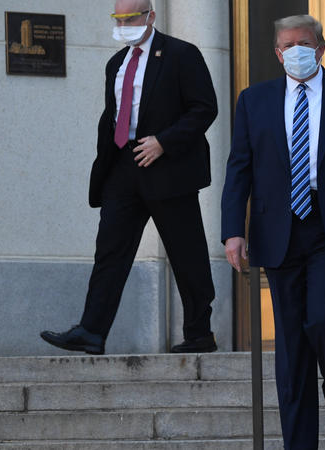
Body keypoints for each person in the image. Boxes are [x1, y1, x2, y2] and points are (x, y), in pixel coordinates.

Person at [221, 14, 325, 450]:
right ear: (277, 53)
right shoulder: (254, 100)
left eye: (304, 43)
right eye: (286, 45)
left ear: (320, 47)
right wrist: (232, 232)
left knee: (321, 320)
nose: (295, 51)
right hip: (277, 229)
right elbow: (239, 169)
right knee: (292, 346)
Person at [41, 0, 218, 355]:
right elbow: (115, 114)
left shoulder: (181, 54)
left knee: (188, 255)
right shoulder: (116, 63)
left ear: (150, 16)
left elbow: (204, 108)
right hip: (123, 168)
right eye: (118, 18)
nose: (123, 24)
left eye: (130, 17)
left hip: (168, 168)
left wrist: (164, 142)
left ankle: (200, 334)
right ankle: (92, 331)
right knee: (110, 251)